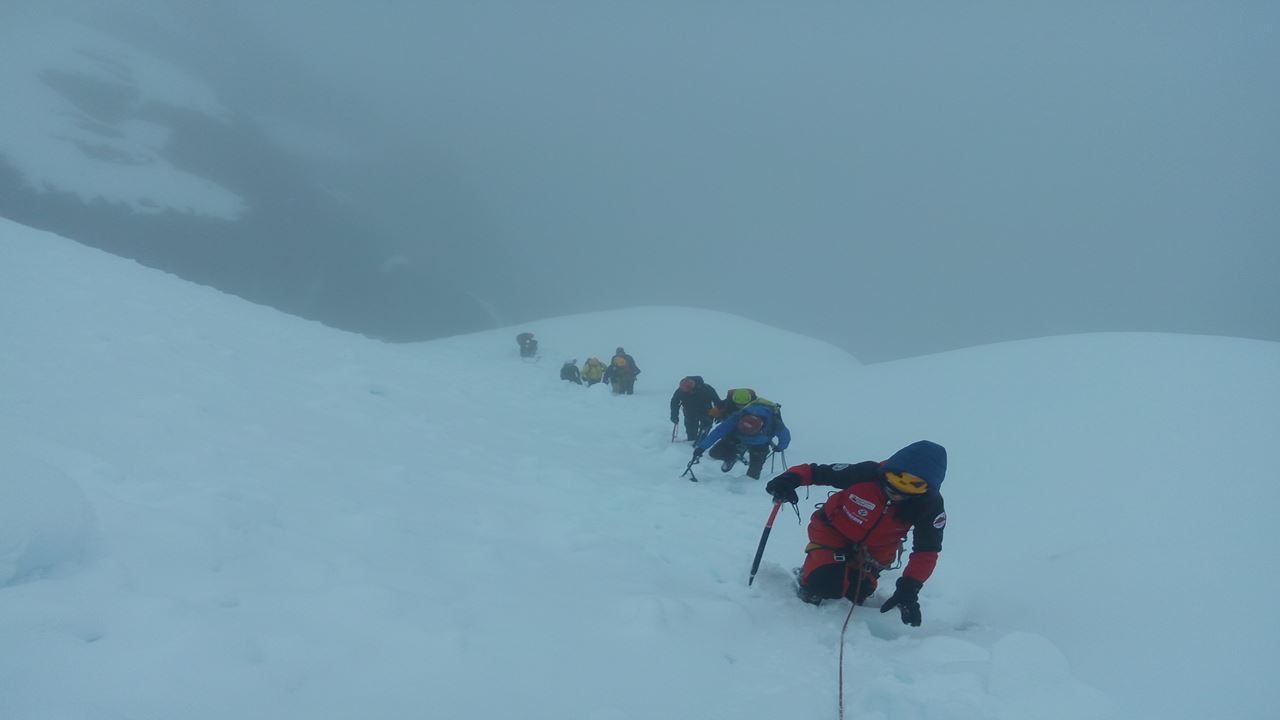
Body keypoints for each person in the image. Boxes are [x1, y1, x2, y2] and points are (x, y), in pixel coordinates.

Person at [763, 440, 947, 626]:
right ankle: (810, 573)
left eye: (906, 492)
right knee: (824, 584)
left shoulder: (930, 507)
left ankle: (841, 572)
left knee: (856, 595)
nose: (896, 494)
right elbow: (816, 472)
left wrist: (909, 588)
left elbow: (927, 551)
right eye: (892, 485)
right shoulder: (866, 473)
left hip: (875, 551)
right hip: (833, 531)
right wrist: (789, 479)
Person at [692, 398, 789, 479]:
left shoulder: (774, 422)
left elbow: (785, 436)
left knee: (754, 473)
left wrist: (781, 447)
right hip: (738, 438)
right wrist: (701, 448)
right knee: (715, 453)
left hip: (760, 444)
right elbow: (718, 432)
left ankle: (748, 487)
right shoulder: (737, 417)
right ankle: (732, 457)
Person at [670, 376, 719, 442]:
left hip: (706, 412)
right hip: (689, 413)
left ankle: (701, 443)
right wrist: (674, 415)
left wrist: (717, 414)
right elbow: (674, 403)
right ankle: (691, 442)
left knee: (703, 433)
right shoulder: (680, 391)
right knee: (691, 436)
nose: (688, 392)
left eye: (689, 390)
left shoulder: (706, 389)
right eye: (683, 390)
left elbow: (717, 401)